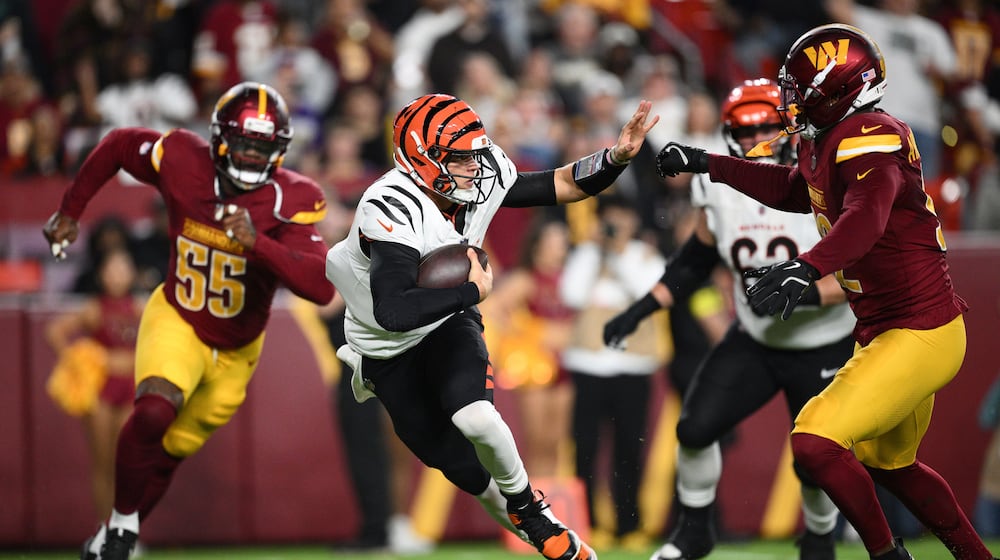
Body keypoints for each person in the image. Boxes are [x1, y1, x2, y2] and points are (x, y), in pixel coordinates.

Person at [654, 24, 997, 560]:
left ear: (839, 92)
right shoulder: (828, 140)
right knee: (890, 465)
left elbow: (868, 218)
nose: (791, 99)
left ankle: (886, 555)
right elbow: (796, 191)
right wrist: (708, 164)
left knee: (813, 440)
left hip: (918, 331)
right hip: (890, 329)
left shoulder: (871, 135)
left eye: (801, 90)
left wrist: (806, 267)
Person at [326, 92, 658, 560]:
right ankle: (523, 515)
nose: (475, 167)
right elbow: (393, 313)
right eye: (460, 159)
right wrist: (472, 292)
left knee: (476, 416)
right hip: (385, 346)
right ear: (422, 158)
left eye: (475, 155)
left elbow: (561, 185)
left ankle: (531, 512)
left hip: (446, 321)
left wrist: (615, 158)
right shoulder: (388, 205)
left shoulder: (476, 176)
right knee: (464, 471)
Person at [42, 81, 334, 560]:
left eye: (261, 147)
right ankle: (120, 528)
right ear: (219, 138)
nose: (250, 155)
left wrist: (256, 243)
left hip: (237, 353)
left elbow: (320, 287)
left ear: (279, 152)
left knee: (168, 453)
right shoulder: (183, 158)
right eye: (242, 142)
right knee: (154, 411)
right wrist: (71, 209)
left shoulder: (290, 198)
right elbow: (117, 145)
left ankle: (115, 534)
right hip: (178, 316)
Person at [604, 78, 857, 560]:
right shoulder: (715, 185)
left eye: (764, 126)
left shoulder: (824, 181)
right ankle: (695, 531)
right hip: (757, 337)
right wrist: (641, 309)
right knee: (695, 429)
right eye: (743, 130)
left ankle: (821, 536)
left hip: (823, 342)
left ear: (789, 128)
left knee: (815, 457)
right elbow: (695, 261)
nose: (753, 139)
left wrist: (798, 296)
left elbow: (860, 276)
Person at [558, 194, 667, 549]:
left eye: (623, 217)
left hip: (634, 365)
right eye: (610, 217)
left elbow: (644, 294)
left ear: (634, 221)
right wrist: (596, 252)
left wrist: (617, 256)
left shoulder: (645, 255)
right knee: (585, 447)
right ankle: (587, 523)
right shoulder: (585, 254)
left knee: (629, 448)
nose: (616, 224)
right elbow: (572, 294)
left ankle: (628, 525)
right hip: (589, 364)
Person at [45, 247, 143, 534]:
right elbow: (54, 331)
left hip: (130, 387)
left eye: (123, 268)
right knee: (102, 463)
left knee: (126, 463)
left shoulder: (140, 308)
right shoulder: (93, 308)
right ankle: (105, 528)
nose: (117, 275)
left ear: (132, 273)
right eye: (111, 269)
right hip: (101, 389)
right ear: (101, 275)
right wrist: (79, 359)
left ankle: (125, 532)